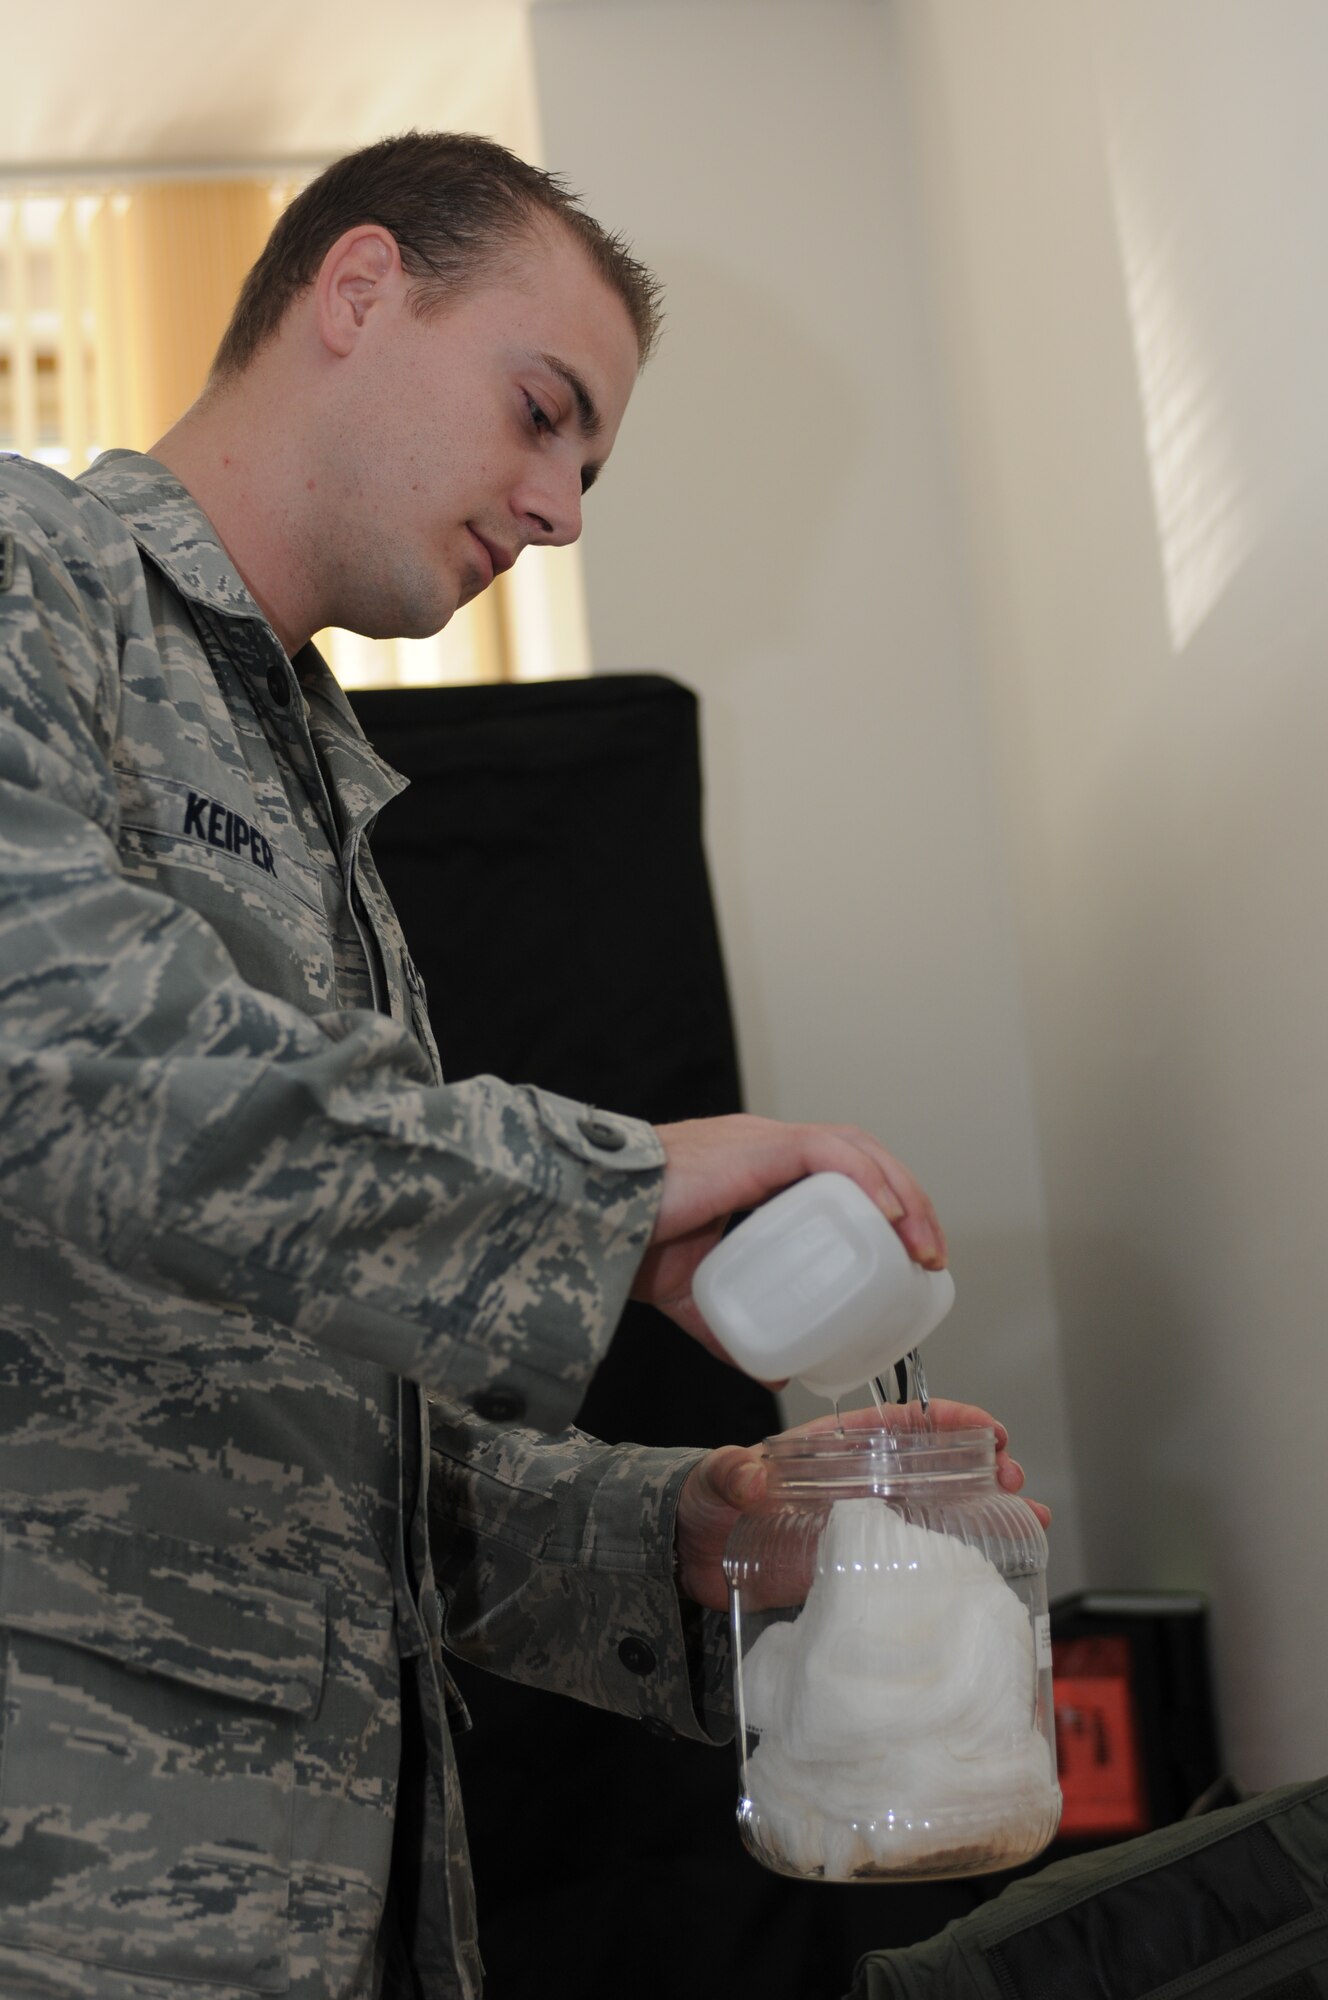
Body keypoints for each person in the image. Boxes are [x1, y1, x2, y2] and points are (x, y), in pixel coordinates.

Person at [0, 133, 1040, 2000]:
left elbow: (303, 1448)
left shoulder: (324, 806)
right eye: (541, 412)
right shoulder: (33, 587)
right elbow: (56, 1050)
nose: (560, 508)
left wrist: (682, 1539)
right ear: (358, 288)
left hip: (333, 1912)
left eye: (591, 463)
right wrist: (619, 1191)